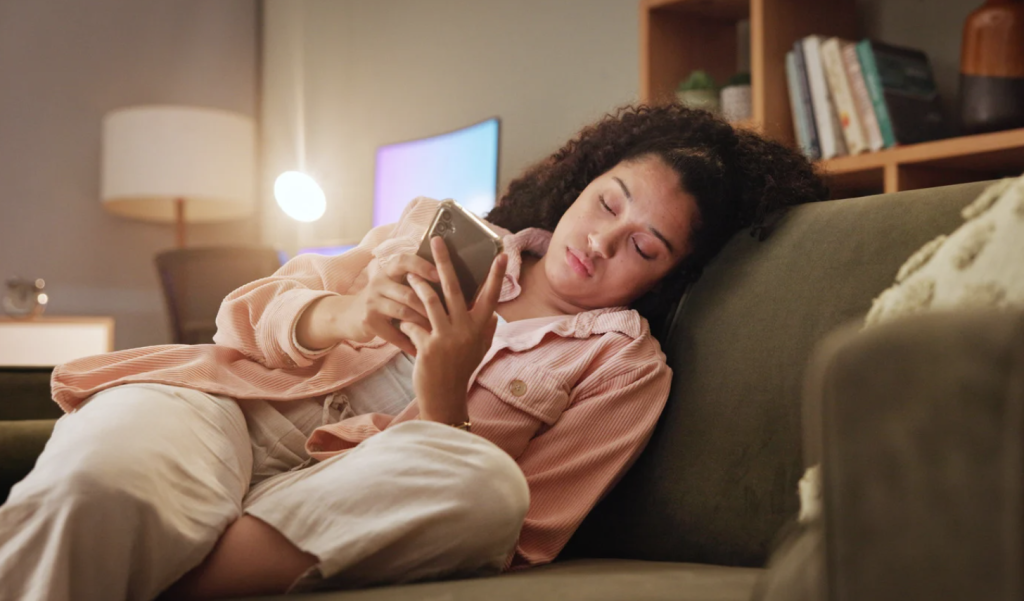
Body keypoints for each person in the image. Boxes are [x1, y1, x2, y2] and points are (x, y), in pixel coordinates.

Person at [0, 103, 827, 601]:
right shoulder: (446, 229)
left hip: (347, 492)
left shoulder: (626, 367)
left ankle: (159, 570)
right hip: (228, 410)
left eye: (644, 247)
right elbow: (243, 322)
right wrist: (350, 310)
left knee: (485, 484)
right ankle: (129, 540)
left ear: (665, 276)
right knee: (94, 482)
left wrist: (445, 398)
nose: (603, 240)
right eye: (607, 202)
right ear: (582, 181)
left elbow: (517, 531)